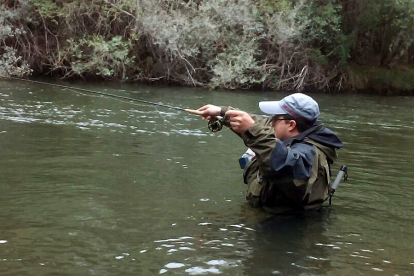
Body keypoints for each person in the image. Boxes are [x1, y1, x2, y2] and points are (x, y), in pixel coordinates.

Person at [197, 93, 343, 213]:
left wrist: (253, 131)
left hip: (286, 232)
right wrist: (223, 112)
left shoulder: (308, 153)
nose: (270, 121)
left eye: (275, 118)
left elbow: (283, 165)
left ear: (291, 125)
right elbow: (261, 126)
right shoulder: (296, 132)